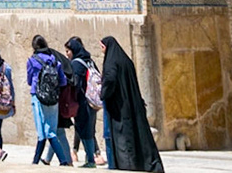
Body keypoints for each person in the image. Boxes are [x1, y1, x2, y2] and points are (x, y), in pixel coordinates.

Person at [100, 36, 163, 172]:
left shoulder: (112, 61)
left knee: (124, 137)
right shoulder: (126, 60)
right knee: (138, 134)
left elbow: (110, 78)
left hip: (119, 107)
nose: (102, 51)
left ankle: (128, 165)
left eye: (103, 47)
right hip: (132, 104)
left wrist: (104, 93)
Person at [26, 35, 74, 165]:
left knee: (41, 133)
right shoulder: (54, 61)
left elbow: (30, 81)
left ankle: (35, 162)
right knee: (52, 132)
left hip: (38, 97)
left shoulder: (32, 61)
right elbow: (63, 81)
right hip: (53, 99)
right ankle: (63, 161)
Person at [65, 37, 101, 167]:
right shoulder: (89, 61)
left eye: (68, 51)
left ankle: (90, 160)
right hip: (92, 101)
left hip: (82, 102)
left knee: (83, 130)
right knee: (89, 130)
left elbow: (76, 84)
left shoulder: (76, 64)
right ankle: (90, 158)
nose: (67, 54)